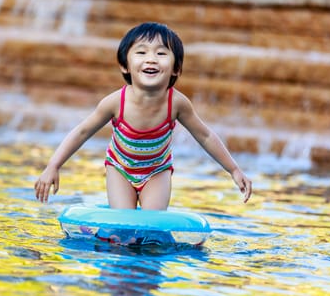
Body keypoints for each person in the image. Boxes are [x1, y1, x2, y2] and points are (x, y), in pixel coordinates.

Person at [34, 22, 252, 209]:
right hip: (120, 168)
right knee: (123, 227)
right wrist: (53, 165)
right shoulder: (115, 103)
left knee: (151, 228)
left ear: (175, 69)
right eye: (141, 52)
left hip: (157, 170)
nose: (151, 59)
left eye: (161, 53)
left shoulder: (176, 103)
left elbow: (205, 136)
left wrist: (234, 169)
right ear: (125, 65)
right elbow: (81, 132)